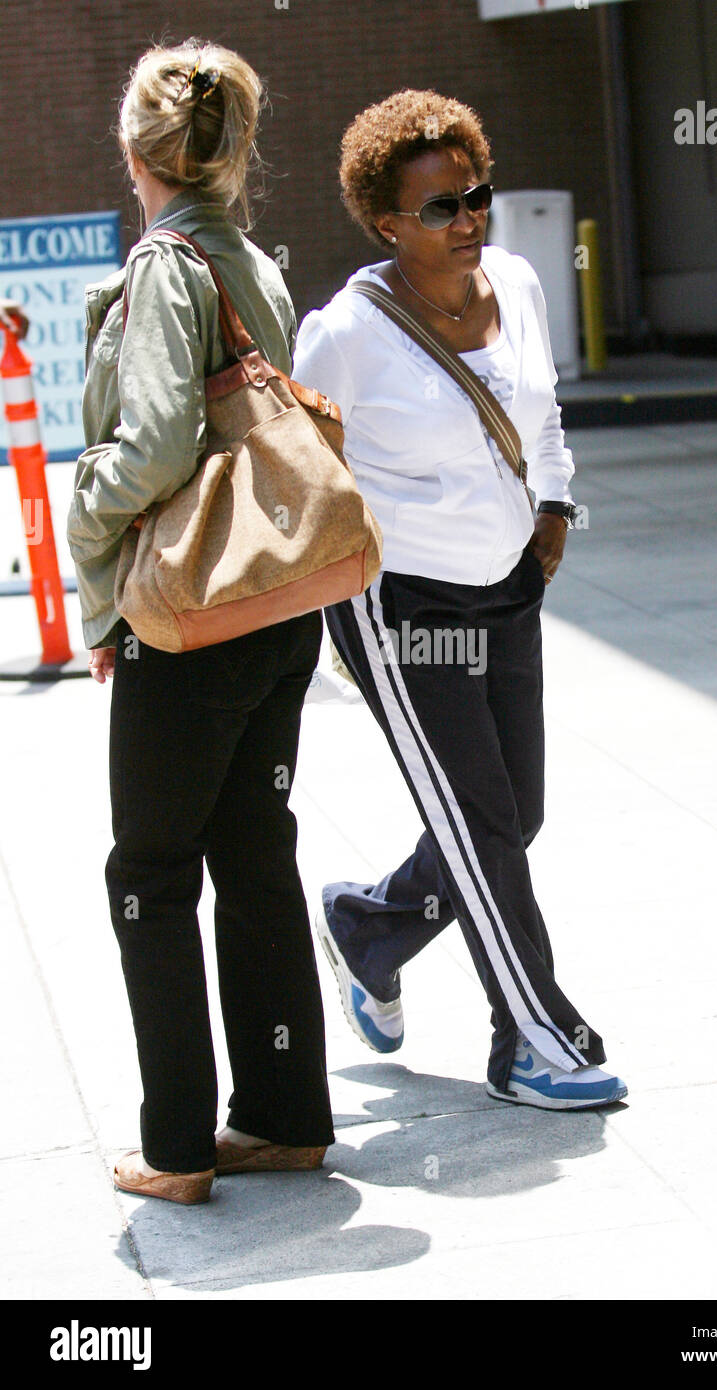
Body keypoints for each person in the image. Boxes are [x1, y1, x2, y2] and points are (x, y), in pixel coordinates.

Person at [292, 89, 627, 1112]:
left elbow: (542, 408)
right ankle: (533, 1037)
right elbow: (303, 467)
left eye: (474, 194)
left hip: (505, 582)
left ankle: (368, 924)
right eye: (439, 207)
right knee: (481, 821)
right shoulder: (347, 331)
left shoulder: (516, 283)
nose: (467, 219)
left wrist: (555, 505)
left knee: (513, 812)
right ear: (386, 221)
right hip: (403, 604)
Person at [67, 40, 334, 1205]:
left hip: (193, 620)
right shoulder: (253, 264)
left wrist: (86, 513)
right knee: (254, 854)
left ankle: (175, 1148)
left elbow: (158, 446)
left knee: (149, 871)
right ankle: (281, 1117)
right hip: (277, 605)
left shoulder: (166, 265)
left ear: (135, 153)